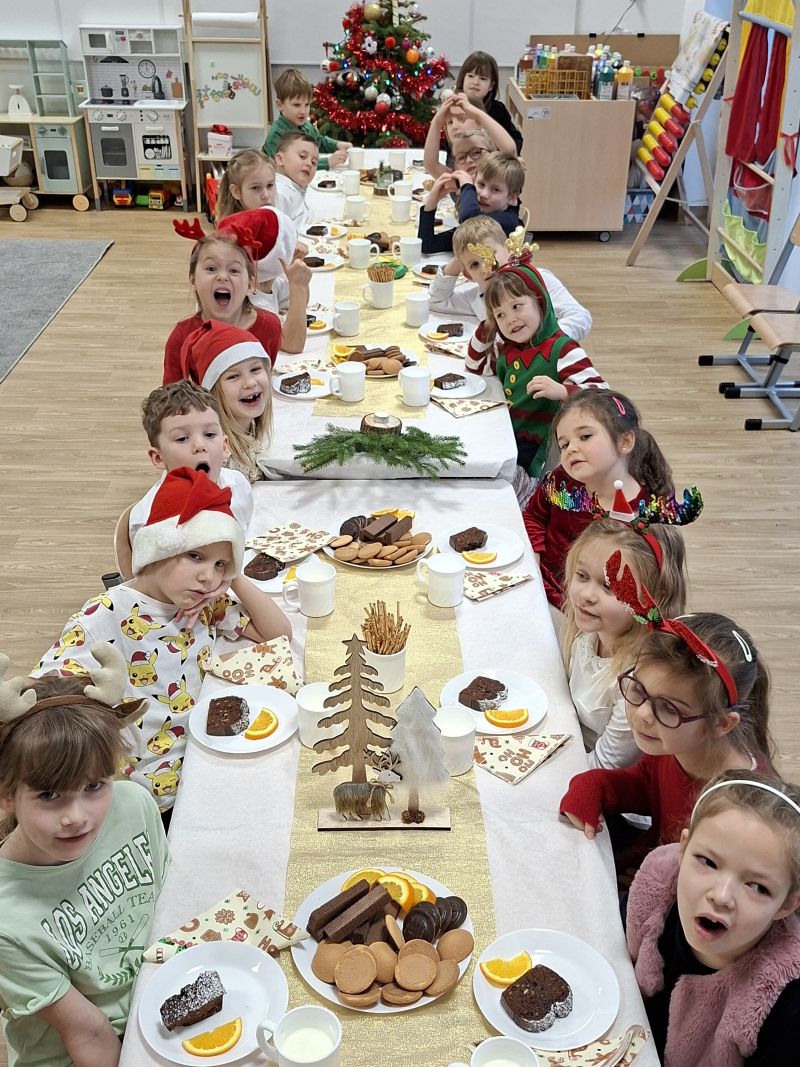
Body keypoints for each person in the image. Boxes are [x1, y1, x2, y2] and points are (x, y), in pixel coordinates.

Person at [32, 467, 292, 813]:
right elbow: (44, 698)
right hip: (141, 796)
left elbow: (278, 634)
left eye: (219, 564)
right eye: (195, 556)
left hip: (204, 764)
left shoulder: (201, 603)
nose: (207, 576)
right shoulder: (104, 614)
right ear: (157, 550)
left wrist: (234, 577)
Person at [0, 643, 169, 1067]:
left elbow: (167, 908)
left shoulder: (133, 805)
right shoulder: (6, 922)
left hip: (158, 1002)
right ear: (7, 795)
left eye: (94, 786)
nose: (76, 817)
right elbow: (88, 1032)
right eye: (49, 795)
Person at [560, 591, 775, 875]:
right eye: (638, 689)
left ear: (722, 723)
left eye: (669, 708)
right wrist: (595, 784)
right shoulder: (676, 742)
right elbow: (646, 784)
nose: (643, 715)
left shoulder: (743, 810)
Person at [625, 771, 800, 1065]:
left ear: (786, 904)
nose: (721, 896)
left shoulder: (785, 1005)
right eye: (708, 862)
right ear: (683, 849)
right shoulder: (655, 895)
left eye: (758, 887)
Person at [466, 252, 607, 488]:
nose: (510, 319)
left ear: (540, 302)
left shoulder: (563, 349)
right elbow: (475, 366)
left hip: (535, 456)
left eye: (517, 307)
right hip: (506, 434)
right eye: (501, 315)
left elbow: (604, 394)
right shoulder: (509, 349)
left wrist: (563, 391)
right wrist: (487, 326)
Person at [524, 390, 677, 606]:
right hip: (539, 585)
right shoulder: (561, 480)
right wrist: (534, 559)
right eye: (564, 445)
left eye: (585, 436)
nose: (571, 449)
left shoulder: (645, 516)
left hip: (587, 607)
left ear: (624, 441)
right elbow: (534, 516)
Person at [562, 517, 688, 769]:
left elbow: (604, 766)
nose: (586, 595)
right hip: (570, 747)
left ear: (652, 599)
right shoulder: (588, 632)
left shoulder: (636, 682)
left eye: (610, 587)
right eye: (582, 575)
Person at [167, 210, 308, 365]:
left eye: (233, 270)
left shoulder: (269, 327)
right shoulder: (182, 337)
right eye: (211, 268)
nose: (222, 276)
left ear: (250, 284)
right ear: (193, 279)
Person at [130, 380, 253, 551]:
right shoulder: (148, 522)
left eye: (209, 434)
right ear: (158, 458)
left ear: (225, 447)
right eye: (182, 438)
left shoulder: (239, 486)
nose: (200, 445)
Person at [430, 215, 592, 341]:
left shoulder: (538, 279)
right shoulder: (476, 297)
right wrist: (457, 262)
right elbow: (437, 300)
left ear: (508, 249)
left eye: (490, 254)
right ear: (467, 275)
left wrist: (547, 344)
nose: (486, 266)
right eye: (474, 265)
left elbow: (580, 317)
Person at [180, 319, 274, 483]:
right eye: (233, 376)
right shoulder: (221, 458)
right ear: (213, 392)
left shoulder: (247, 425)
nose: (250, 383)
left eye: (255, 369)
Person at [262, 68, 351, 170]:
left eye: (307, 104)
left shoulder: (306, 126)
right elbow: (289, 165)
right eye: (296, 105)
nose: (303, 111)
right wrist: (327, 162)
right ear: (280, 105)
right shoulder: (276, 134)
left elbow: (319, 141)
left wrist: (337, 145)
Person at [423, 92, 517, 179]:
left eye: (476, 153)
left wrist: (478, 115)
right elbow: (431, 165)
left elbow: (510, 151)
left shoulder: (496, 172)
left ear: (479, 122)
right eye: (450, 122)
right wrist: (436, 122)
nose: (455, 126)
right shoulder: (459, 180)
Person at [455, 50, 523, 153]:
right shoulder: (454, 107)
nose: (475, 82)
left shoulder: (498, 109)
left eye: (482, 78)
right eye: (470, 76)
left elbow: (516, 141)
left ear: (491, 86)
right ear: (463, 78)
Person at [273, 131, 319, 233]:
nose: (309, 164)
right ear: (280, 159)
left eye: (314, 162)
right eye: (302, 156)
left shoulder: (293, 187)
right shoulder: (279, 194)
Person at [214, 148, 276, 222]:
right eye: (255, 188)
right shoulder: (234, 226)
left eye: (270, 185)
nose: (266, 195)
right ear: (236, 191)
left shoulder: (276, 217)